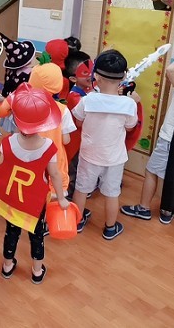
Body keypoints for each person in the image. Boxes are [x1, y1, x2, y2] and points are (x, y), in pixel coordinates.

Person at [0, 84, 69, 284]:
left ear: (15, 118)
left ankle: (7, 266)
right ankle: (37, 271)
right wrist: (62, 198)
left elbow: (2, 167)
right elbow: (55, 175)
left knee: (11, 232)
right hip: (35, 202)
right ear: (44, 122)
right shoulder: (48, 147)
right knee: (37, 235)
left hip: (13, 199)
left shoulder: (8, 142)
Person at [120, 43, 174, 224]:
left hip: (170, 139)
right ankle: (167, 212)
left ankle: (144, 208)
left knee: (151, 171)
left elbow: (170, 70)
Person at [71, 49, 141, 240]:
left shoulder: (88, 100)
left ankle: (76, 222)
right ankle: (110, 227)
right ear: (124, 78)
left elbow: (78, 121)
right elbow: (130, 127)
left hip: (89, 154)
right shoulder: (129, 104)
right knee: (112, 193)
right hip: (114, 158)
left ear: (96, 77)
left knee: (81, 189)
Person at [28, 63, 77, 199]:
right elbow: (66, 140)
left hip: (31, 154)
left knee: (31, 189)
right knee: (53, 189)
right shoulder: (63, 110)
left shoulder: (27, 105)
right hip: (54, 156)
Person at [63, 51, 94, 198]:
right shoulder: (75, 96)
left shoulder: (87, 90)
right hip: (75, 141)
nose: (90, 76)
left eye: (91, 71)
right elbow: (82, 120)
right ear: (73, 78)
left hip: (83, 139)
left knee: (81, 166)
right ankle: (70, 196)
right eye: (85, 73)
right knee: (73, 167)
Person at [0, 34, 38, 134]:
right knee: (20, 128)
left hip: (10, 103)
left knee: (14, 129)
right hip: (23, 106)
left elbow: (6, 88)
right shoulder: (30, 73)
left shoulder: (9, 71)